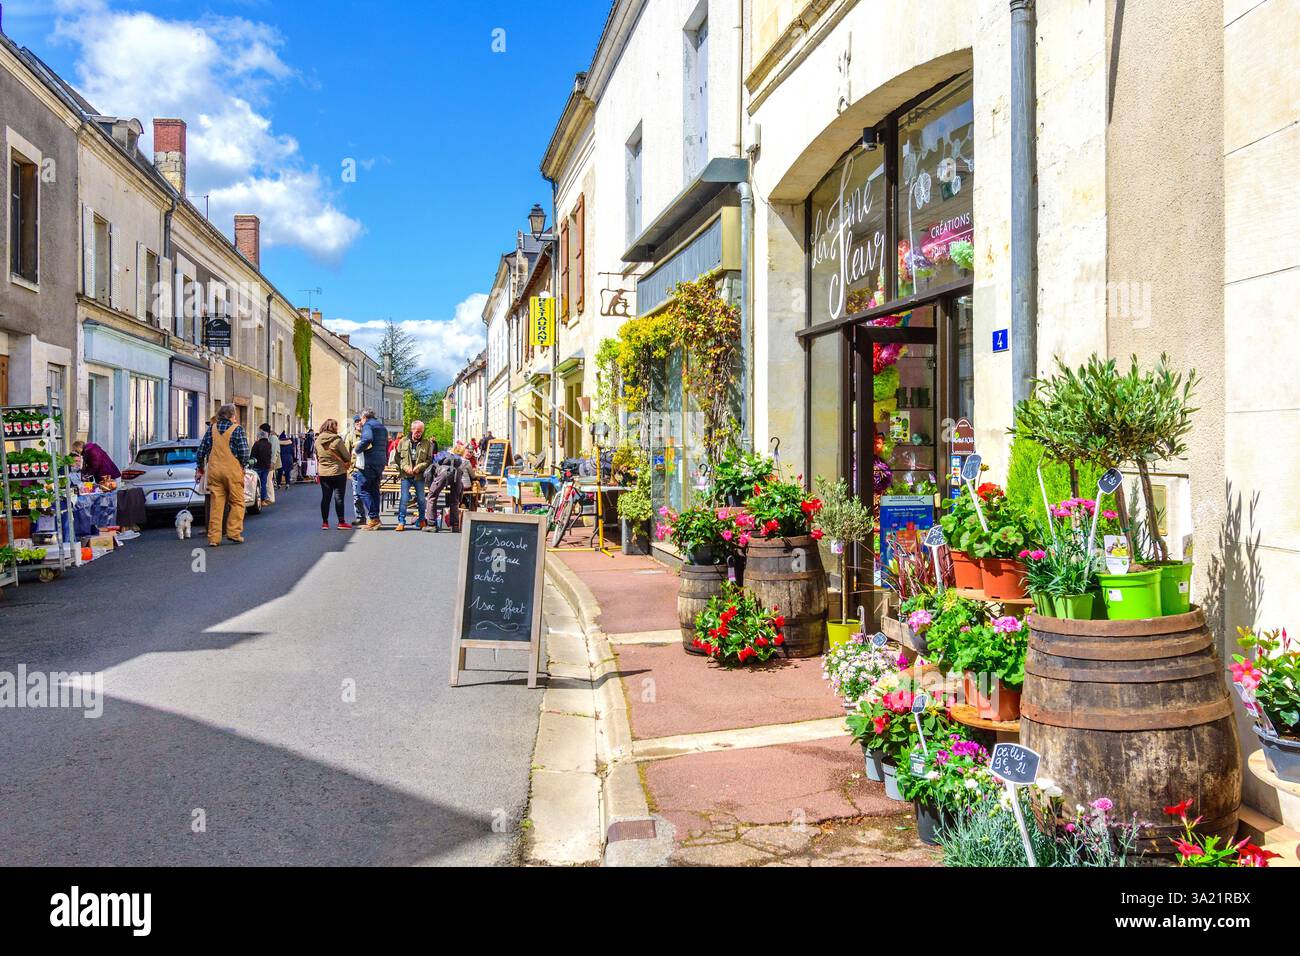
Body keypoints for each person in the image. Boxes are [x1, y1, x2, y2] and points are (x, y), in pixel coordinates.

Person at [196, 404, 249, 547]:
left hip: (214, 471)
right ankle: (234, 533)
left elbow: (201, 451)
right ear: (232, 416)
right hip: (232, 471)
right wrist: (243, 466)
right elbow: (244, 452)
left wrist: (199, 468)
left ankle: (214, 537)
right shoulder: (237, 430)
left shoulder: (211, 429)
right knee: (237, 502)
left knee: (216, 505)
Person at [391, 421, 432, 532]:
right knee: (404, 499)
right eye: (417, 431)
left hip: (419, 476)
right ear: (412, 429)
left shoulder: (427, 443)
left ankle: (422, 520)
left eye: (421, 431)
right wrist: (404, 467)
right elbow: (397, 458)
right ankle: (401, 522)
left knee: (421, 500)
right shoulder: (403, 441)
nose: (419, 434)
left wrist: (420, 466)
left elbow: (429, 460)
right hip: (406, 475)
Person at [353, 409, 389, 530]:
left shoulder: (368, 425)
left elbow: (367, 439)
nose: (360, 422)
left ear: (364, 417)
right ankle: (376, 517)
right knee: (374, 490)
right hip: (380, 461)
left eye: (361, 419)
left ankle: (373, 518)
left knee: (363, 489)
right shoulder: (382, 427)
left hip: (369, 462)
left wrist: (357, 450)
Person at [314, 419, 352, 530]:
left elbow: (317, 455)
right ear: (333, 428)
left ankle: (325, 523)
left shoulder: (317, 440)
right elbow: (347, 456)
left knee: (325, 497)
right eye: (336, 426)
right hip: (338, 472)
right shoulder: (337, 441)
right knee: (339, 498)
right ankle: (341, 522)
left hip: (323, 472)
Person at [250, 425, 274, 506]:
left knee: (256, 484)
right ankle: (263, 500)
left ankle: (257, 500)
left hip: (257, 466)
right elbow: (270, 455)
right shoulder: (269, 444)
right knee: (263, 483)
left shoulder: (256, 444)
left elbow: (252, 455)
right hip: (266, 466)